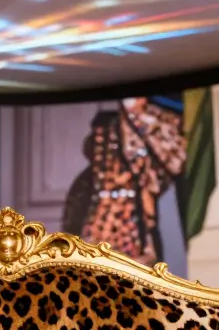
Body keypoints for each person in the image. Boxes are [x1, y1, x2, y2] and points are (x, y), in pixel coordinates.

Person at [65, 97, 186, 266]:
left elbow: (176, 160)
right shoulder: (87, 184)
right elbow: (71, 230)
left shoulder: (149, 169)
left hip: (135, 258)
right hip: (98, 262)